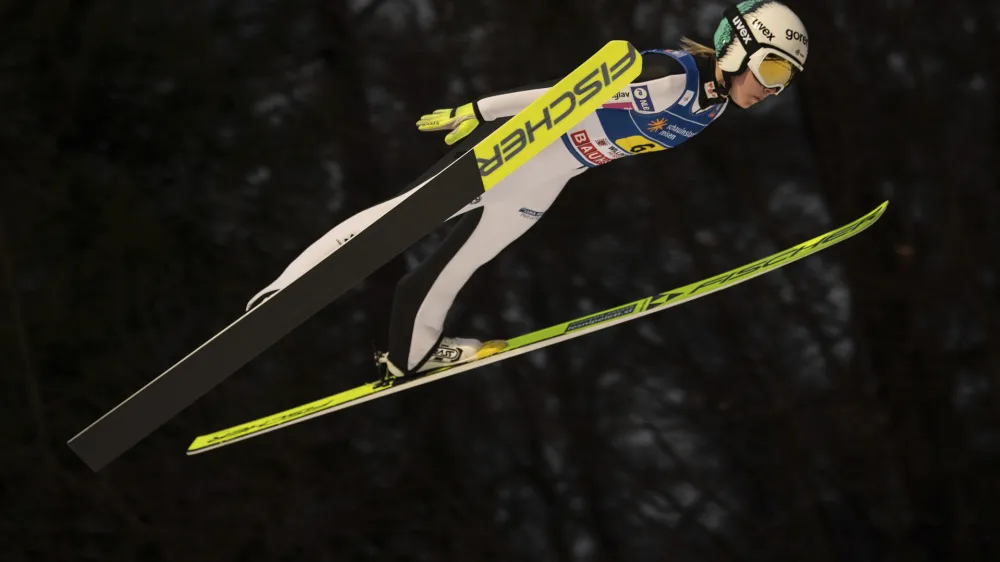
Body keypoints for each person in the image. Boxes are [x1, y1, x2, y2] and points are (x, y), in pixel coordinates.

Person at [247, 0, 810, 378]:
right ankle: (283, 292)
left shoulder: (710, 108)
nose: (772, 89)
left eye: (784, 80)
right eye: (772, 71)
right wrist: (478, 110)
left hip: (548, 180)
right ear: (737, 48)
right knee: (399, 219)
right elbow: (563, 92)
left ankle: (408, 354)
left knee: (460, 264)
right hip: (512, 153)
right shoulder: (668, 77)